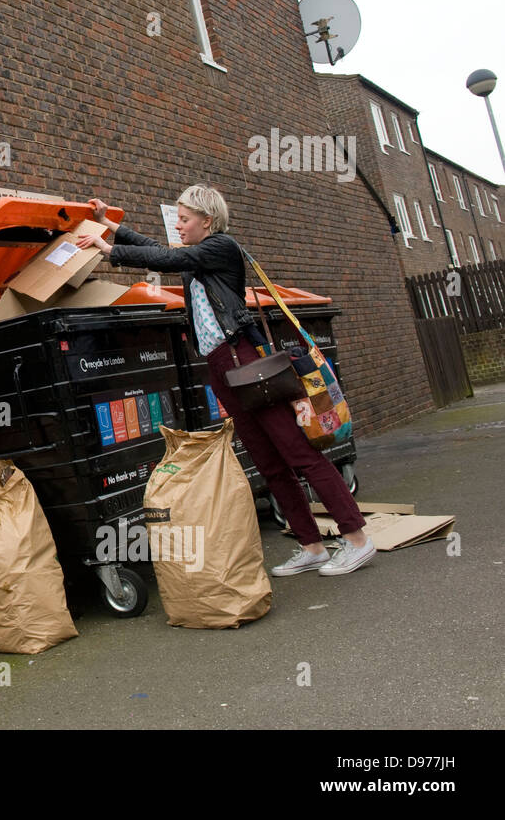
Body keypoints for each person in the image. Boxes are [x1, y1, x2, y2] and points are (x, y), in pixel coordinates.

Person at [73, 185, 375, 576]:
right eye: (178, 219)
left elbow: (164, 258)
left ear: (208, 221)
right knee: (268, 463)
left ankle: (356, 539)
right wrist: (109, 226)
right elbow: (160, 250)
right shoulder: (197, 260)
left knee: (298, 453)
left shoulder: (221, 247)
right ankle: (311, 546)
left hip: (245, 362)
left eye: (185, 219)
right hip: (221, 367)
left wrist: (107, 248)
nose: (178, 225)